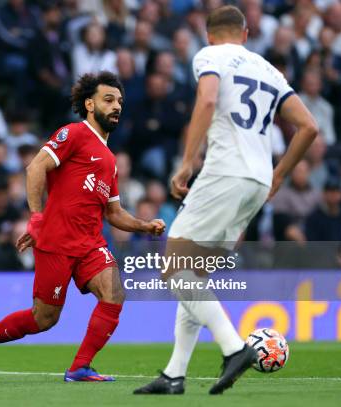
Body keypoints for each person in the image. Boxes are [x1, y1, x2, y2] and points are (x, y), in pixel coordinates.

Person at [134, 6, 318, 396]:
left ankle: (235, 348)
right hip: (257, 180)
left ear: (209, 34)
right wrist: (280, 174)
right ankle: (173, 375)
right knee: (194, 275)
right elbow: (309, 126)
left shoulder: (210, 56)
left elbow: (206, 100)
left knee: (175, 267)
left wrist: (186, 163)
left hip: (224, 172)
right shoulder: (269, 69)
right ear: (247, 34)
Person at [0, 71, 165, 383]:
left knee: (114, 294)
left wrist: (144, 226)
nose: (117, 106)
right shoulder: (74, 134)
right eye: (108, 99)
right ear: (90, 104)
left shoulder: (109, 160)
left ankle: (80, 367)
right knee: (44, 319)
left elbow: (114, 212)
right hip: (56, 241)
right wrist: (37, 217)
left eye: (120, 101)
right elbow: (36, 167)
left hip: (91, 244)